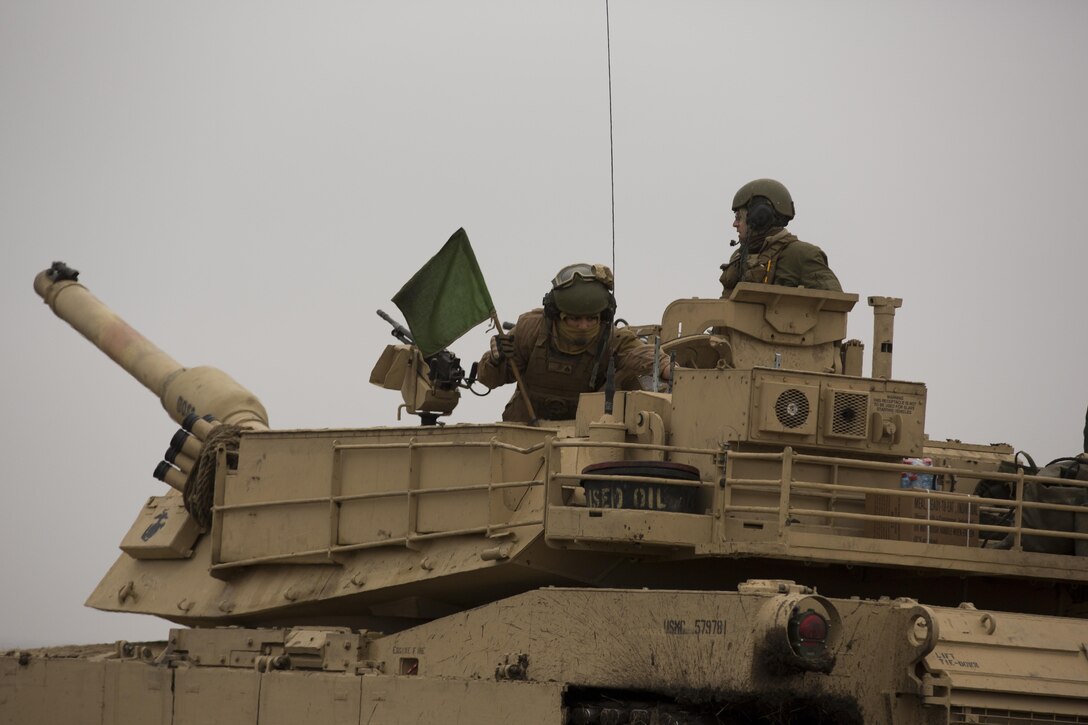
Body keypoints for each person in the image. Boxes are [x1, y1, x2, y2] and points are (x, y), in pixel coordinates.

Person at [477, 263, 666, 423]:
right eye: (574, 319)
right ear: (556, 316)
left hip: (585, 435)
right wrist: (495, 360)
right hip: (523, 433)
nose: (583, 326)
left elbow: (641, 354)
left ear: (604, 316)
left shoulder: (611, 339)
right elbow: (489, 379)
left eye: (592, 319)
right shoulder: (530, 330)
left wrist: (669, 368)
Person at [720, 178, 842, 296]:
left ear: (760, 217)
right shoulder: (739, 257)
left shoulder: (801, 254)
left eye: (738, 217)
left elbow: (834, 305)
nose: (734, 224)